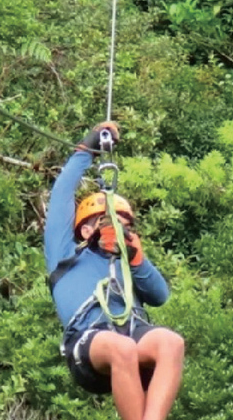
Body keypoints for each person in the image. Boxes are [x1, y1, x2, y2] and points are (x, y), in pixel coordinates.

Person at [44, 122, 185, 420]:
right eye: (108, 220)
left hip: (133, 332)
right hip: (90, 340)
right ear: (85, 229)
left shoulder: (127, 262)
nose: (117, 227)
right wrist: (87, 149)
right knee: (121, 347)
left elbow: (159, 296)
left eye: (123, 223)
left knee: (172, 343)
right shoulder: (65, 255)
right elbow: (60, 195)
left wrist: (135, 259)